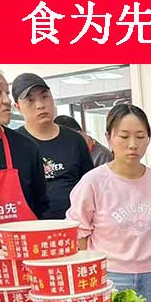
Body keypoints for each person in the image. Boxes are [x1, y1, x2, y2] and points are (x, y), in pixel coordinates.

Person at [66, 104, 151, 302]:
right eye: (124, 136)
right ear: (109, 137)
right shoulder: (93, 182)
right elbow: (79, 234)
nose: (132, 145)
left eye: (140, 137)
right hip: (110, 277)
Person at [0, 65, 49, 284]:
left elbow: (39, 205)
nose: (7, 101)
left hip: (22, 270)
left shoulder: (25, 149)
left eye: (7, 93)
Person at [13, 73, 93, 219]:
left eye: (45, 96)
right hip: (32, 229)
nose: (40, 105)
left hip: (74, 226)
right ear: (17, 107)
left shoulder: (75, 140)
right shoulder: (14, 143)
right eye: (30, 100)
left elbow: (90, 187)